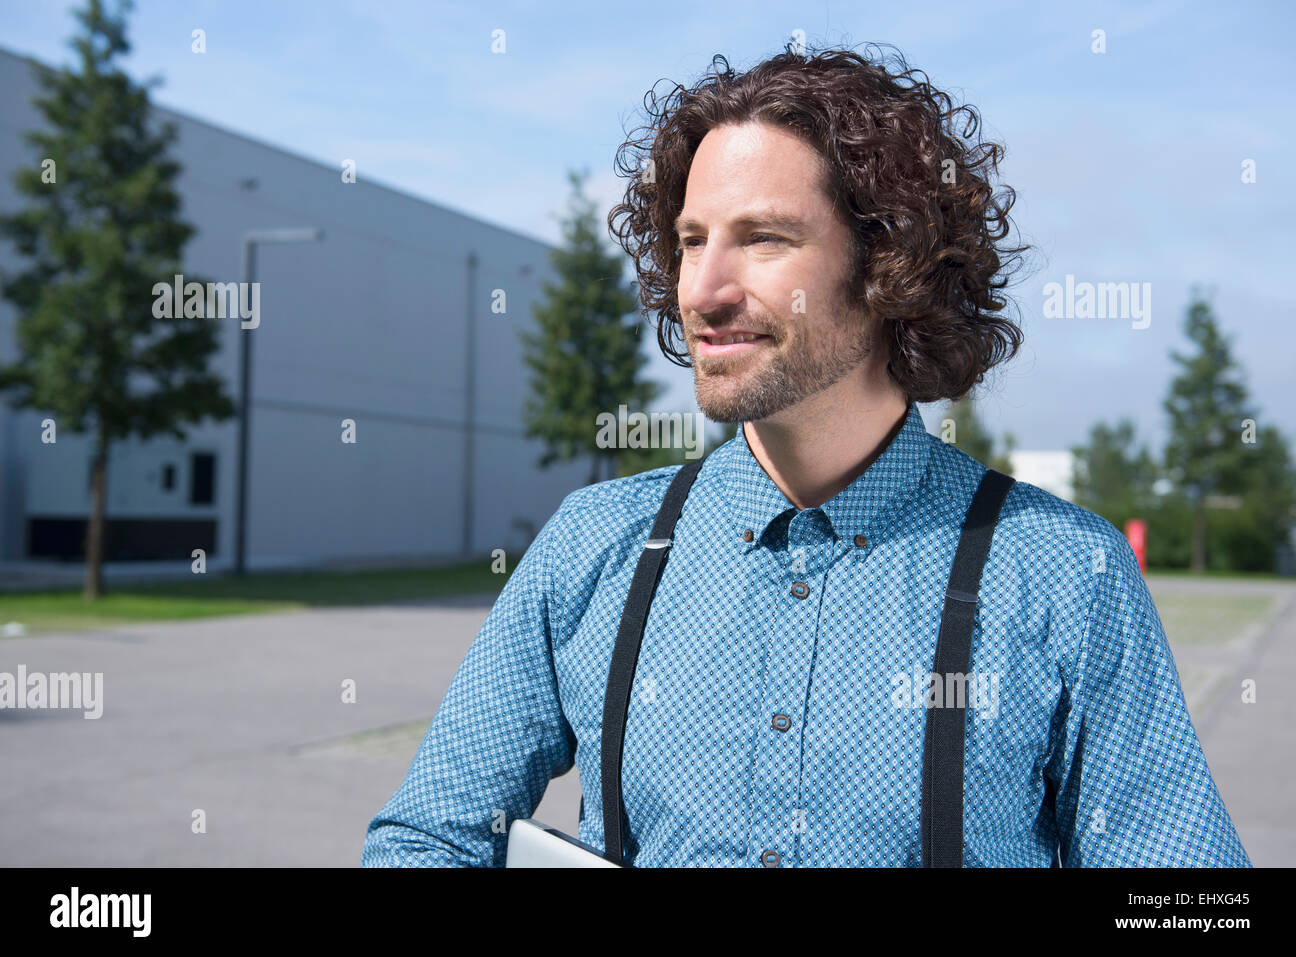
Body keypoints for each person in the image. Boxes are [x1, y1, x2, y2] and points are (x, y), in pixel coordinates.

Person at [361, 45, 1249, 867]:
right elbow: (425, 838)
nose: (702, 290)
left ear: (886, 261)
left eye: (763, 238)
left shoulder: (1063, 571)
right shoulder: (596, 544)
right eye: (692, 240)